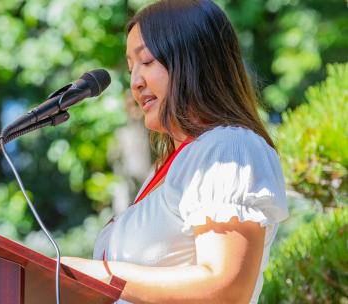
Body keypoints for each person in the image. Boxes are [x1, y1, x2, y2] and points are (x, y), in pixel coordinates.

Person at [60, 0, 289, 302]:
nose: (135, 82)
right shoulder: (171, 166)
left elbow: (225, 288)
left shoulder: (228, 147)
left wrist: (102, 273)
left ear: (193, 59)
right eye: (131, 69)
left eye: (147, 61)